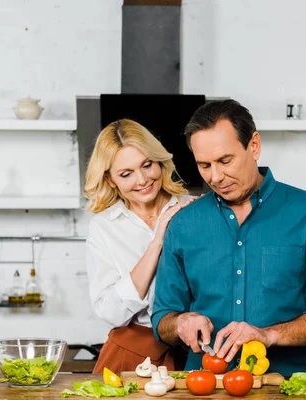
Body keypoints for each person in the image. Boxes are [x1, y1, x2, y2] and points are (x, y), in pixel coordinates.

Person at [151, 99, 306, 376]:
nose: (216, 176)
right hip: (205, 388)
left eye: (225, 160)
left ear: (254, 146)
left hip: (286, 387)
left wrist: (268, 335)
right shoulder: (184, 224)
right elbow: (162, 318)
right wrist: (180, 322)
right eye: (204, 165)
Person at [84, 119, 195, 374]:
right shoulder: (103, 227)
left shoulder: (194, 209)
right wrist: (157, 243)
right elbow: (111, 312)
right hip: (131, 355)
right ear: (110, 180)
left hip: (195, 352)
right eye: (126, 174)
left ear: (160, 162)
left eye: (147, 165)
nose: (143, 179)